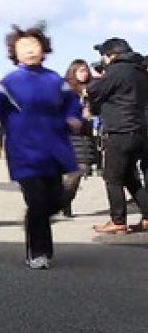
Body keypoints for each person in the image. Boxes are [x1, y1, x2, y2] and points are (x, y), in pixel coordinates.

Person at [0, 23, 81, 270]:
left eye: (35, 45)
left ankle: (33, 223)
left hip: (54, 149)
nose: (30, 50)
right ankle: (39, 253)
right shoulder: (9, 82)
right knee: (37, 201)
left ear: (44, 49)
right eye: (23, 46)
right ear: (15, 53)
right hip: (24, 151)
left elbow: (72, 102)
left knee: (55, 200)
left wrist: (73, 116)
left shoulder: (55, 80)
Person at [86, 37, 148, 234]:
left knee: (112, 177)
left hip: (119, 130)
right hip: (139, 131)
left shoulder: (116, 70)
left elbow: (93, 91)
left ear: (111, 55)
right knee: (131, 177)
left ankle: (117, 220)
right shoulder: (140, 71)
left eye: (103, 55)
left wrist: (98, 77)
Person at [61, 60, 96, 217]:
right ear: (73, 71)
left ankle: (65, 202)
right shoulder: (66, 90)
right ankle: (62, 203)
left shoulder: (91, 89)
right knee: (72, 173)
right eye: (81, 70)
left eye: (86, 70)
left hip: (86, 136)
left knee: (80, 171)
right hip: (69, 136)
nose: (84, 73)